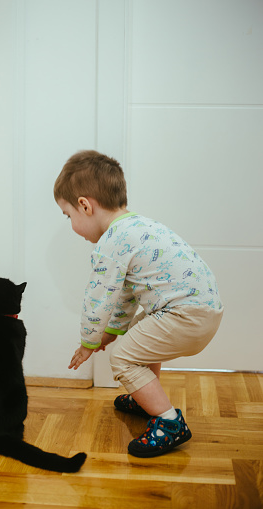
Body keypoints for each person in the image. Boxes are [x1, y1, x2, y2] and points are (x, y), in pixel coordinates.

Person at [54, 150, 223, 458]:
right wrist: (113, 331)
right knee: (138, 331)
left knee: (122, 359)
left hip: (185, 316)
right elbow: (127, 295)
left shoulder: (111, 243)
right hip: (205, 311)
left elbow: (99, 300)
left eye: (69, 216)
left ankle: (169, 422)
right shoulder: (139, 227)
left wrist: (89, 342)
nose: (71, 224)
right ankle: (146, 396)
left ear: (84, 205)